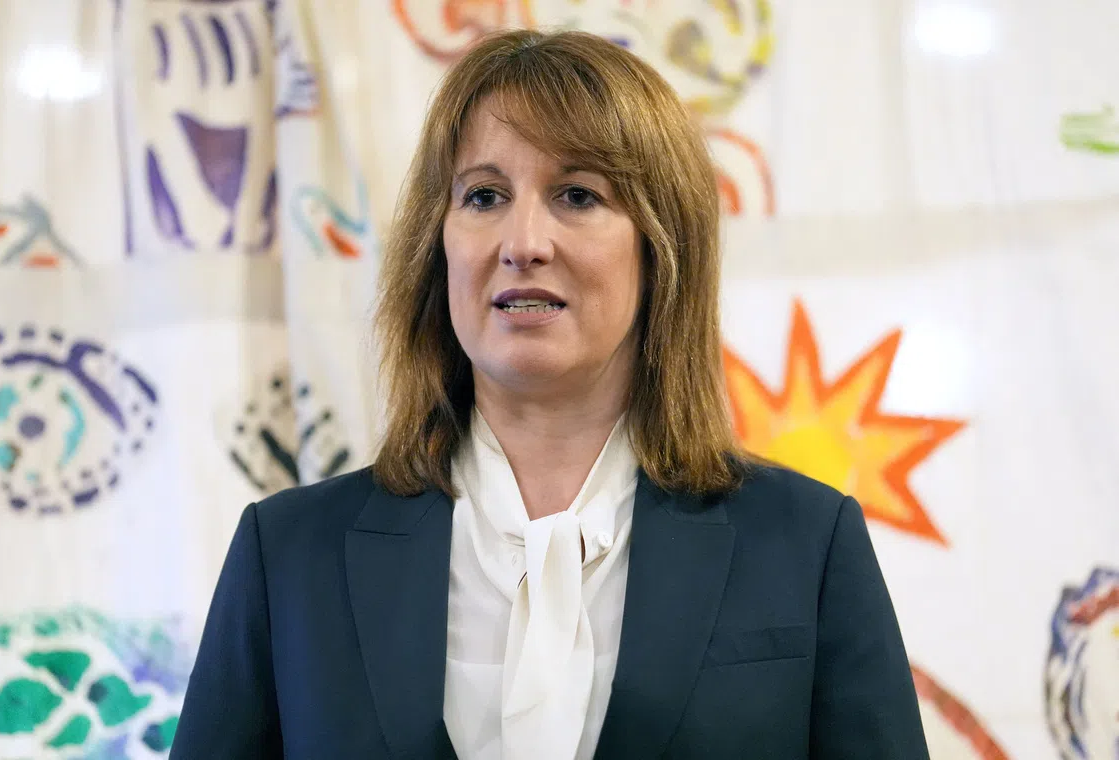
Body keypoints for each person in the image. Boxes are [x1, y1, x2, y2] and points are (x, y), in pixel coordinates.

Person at [169, 29, 930, 760]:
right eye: (484, 195)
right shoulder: (291, 556)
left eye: (576, 194)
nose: (523, 240)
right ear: (438, 244)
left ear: (661, 247)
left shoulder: (805, 543)